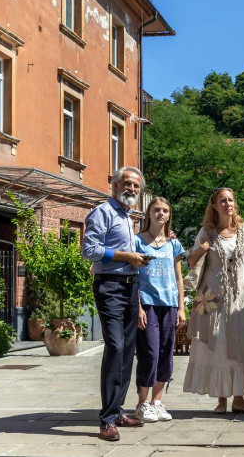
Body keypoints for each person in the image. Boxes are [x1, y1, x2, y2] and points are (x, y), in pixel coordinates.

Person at [82, 166, 149, 442]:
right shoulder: (103, 212)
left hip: (131, 287)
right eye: (127, 184)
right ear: (114, 185)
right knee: (116, 347)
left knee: (127, 350)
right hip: (109, 286)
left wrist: (138, 257)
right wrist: (125, 256)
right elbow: (90, 250)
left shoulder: (128, 217)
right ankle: (107, 421)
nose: (132, 189)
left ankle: (118, 410)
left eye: (136, 186)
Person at [183, 188, 244, 415]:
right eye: (222, 200)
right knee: (217, 345)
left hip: (239, 300)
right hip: (212, 299)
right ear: (214, 206)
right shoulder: (206, 232)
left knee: (240, 344)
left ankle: (239, 399)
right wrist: (203, 247)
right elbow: (191, 261)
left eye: (230, 200)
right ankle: (221, 399)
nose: (227, 203)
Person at [132, 197, 186, 423]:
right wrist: (138, 306)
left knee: (166, 354)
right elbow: (133, 276)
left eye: (165, 210)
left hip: (170, 305)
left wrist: (182, 307)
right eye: (156, 210)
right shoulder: (136, 242)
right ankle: (142, 404)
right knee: (149, 353)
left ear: (169, 215)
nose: (160, 214)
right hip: (148, 304)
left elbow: (178, 277)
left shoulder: (174, 244)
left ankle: (157, 402)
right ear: (148, 213)